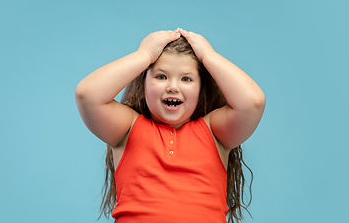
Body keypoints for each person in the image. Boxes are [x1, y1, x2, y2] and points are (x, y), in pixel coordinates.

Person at [75, 28, 265, 223]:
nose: (173, 86)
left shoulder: (215, 132)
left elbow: (252, 103)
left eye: (186, 79)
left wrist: (208, 56)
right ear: (144, 84)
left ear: (201, 89)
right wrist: (144, 55)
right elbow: (88, 95)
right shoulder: (127, 129)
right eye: (161, 76)